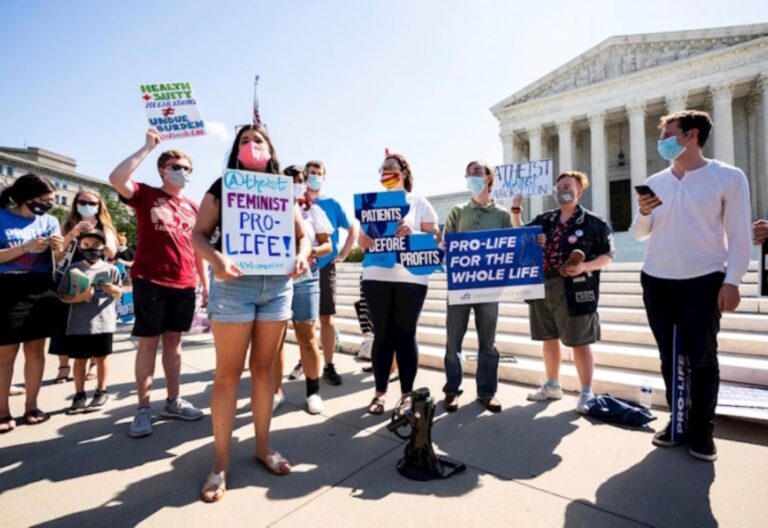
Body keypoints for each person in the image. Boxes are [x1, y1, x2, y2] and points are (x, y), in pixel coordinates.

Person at [192, 124, 311, 502]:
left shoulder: (281, 189)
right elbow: (197, 234)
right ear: (236, 151)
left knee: (263, 370)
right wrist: (216, 258)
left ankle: (263, 447)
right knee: (228, 375)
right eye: (243, 140)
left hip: (276, 287)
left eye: (257, 140)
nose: (250, 145)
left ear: (270, 149)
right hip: (234, 286)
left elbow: (302, 235)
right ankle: (221, 464)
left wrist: (302, 255)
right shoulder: (222, 187)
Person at [630, 110, 751, 462]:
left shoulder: (727, 177)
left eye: (669, 134)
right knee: (670, 358)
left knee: (701, 358)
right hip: (657, 280)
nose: (663, 141)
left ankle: (702, 431)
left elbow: (739, 233)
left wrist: (733, 280)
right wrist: (645, 211)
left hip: (704, 281)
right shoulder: (656, 180)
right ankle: (677, 422)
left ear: (692, 135)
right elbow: (639, 233)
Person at [109, 128, 209, 438]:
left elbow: (198, 250)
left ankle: (173, 401)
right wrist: (147, 147)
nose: (182, 172)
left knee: (174, 345)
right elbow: (116, 178)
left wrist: (204, 284)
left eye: (187, 168)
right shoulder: (147, 194)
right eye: (176, 167)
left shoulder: (194, 207)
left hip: (184, 283)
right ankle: (142, 408)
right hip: (150, 280)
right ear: (163, 170)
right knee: (148, 345)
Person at [511, 171, 614, 414]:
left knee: (580, 342)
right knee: (548, 338)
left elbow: (608, 256)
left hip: (575, 288)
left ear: (579, 191)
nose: (562, 190)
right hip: (543, 284)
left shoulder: (594, 223)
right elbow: (520, 234)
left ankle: (586, 392)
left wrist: (585, 266)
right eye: (558, 186)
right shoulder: (545, 219)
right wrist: (516, 209)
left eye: (568, 186)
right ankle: (552, 385)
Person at [358, 152, 439, 417]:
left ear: (404, 172)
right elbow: (362, 239)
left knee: (405, 335)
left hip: (410, 279)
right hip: (376, 276)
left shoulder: (419, 203)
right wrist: (365, 241)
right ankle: (379, 393)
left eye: (391, 167)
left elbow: (435, 238)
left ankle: (406, 394)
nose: (386, 172)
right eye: (382, 169)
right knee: (382, 335)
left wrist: (412, 233)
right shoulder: (371, 203)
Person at [442, 161, 512, 413]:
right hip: (460, 286)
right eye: (469, 173)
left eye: (478, 172)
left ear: (489, 177)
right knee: (453, 341)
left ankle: (487, 392)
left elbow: (511, 248)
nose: (473, 176)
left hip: (490, 288)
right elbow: (445, 245)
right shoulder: (457, 211)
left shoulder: (502, 214)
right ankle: (451, 390)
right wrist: (445, 248)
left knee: (488, 343)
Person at [0, 174, 63, 433]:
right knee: (5, 353)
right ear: (27, 197)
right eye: (44, 200)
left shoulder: (50, 221)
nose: (49, 205)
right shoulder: (3, 216)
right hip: (8, 289)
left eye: (52, 200)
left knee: (36, 350)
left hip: (41, 288)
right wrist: (25, 247)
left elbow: (59, 258)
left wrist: (60, 247)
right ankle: (2, 411)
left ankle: (32, 405)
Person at [272, 165, 333, 415]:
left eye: (300, 179)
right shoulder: (270, 209)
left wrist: (307, 252)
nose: (297, 183)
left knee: (307, 337)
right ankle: (276, 391)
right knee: (274, 340)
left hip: (306, 277)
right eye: (291, 179)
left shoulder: (312, 210)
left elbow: (327, 245)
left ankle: (313, 391)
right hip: (275, 279)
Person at [51, 189, 118, 384]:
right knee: (64, 320)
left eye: (92, 203)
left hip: (95, 275)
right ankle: (63, 366)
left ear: (99, 206)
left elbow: (112, 252)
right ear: (76, 203)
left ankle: (94, 365)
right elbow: (58, 254)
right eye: (83, 201)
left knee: (93, 320)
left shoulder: (105, 226)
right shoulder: (68, 224)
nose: (87, 206)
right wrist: (74, 233)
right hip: (70, 274)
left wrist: (98, 242)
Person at [303, 160, 359, 385]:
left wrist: (345, 251)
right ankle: (306, 361)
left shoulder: (332, 203)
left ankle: (328, 364)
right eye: (311, 173)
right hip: (301, 267)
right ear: (304, 176)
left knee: (326, 318)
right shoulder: (296, 202)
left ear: (324, 178)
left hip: (325, 265)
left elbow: (352, 227)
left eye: (318, 173)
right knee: (304, 320)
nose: (314, 176)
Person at [57, 229, 121, 414]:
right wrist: (78, 297)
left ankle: (102, 391)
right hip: (79, 323)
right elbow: (62, 296)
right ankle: (79, 394)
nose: (91, 248)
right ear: (80, 246)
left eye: (96, 245)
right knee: (80, 360)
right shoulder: (73, 269)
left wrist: (114, 290)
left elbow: (120, 293)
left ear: (103, 247)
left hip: (103, 322)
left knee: (102, 358)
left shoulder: (111, 269)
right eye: (86, 244)